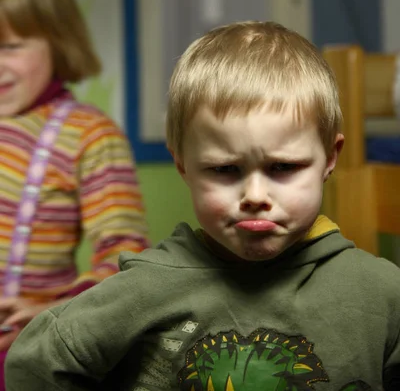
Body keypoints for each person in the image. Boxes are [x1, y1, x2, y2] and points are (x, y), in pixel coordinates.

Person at [4, 20, 400, 390]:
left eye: (283, 167)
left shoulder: (383, 295)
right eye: (225, 169)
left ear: (330, 158)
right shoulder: (142, 291)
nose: (255, 196)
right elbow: (33, 364)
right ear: (184, 167)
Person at [0, 0, 149, 389]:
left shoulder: (88, 134)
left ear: (57, 37)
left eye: (11, 46)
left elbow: (125, 254)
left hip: (24, 348)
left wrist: (62, 307)